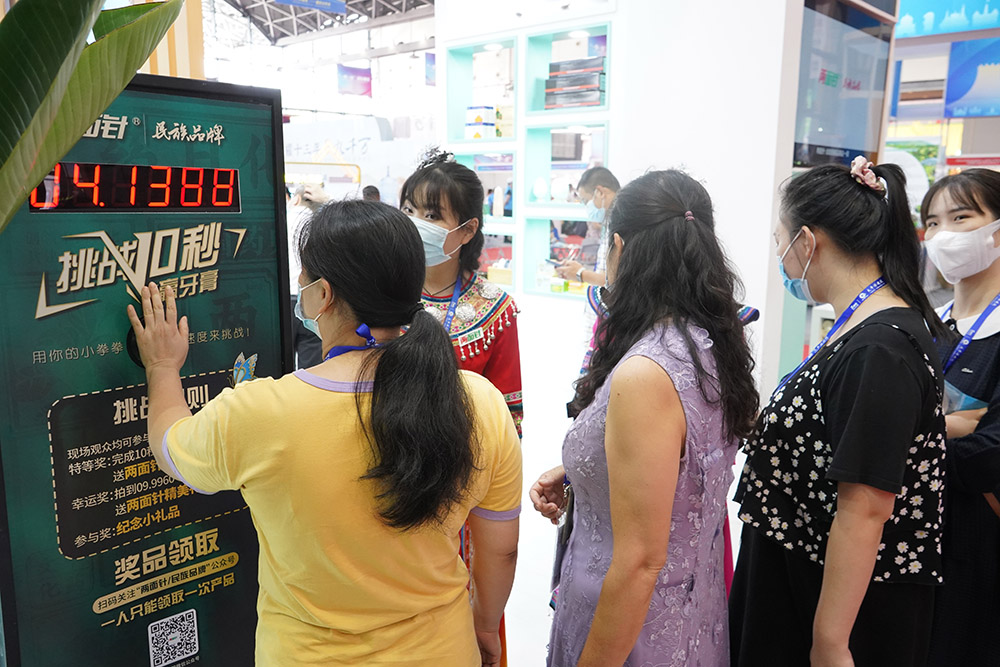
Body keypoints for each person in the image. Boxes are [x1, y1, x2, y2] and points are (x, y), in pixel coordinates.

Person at [126, 200, 522, 666]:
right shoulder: (478, 401)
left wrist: (161, 366)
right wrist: (484, 625)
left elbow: (170, 447)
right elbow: (501, 550)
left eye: (304, 278)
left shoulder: (262, 413)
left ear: (323, 294)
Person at [531, 170, 759, 665]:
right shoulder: (711, 344)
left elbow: (638, 562)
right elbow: (681, 470)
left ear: (618, 247)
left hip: (630, 630)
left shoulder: (647, 370)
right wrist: (583, 471)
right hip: (692, 615)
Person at [730, 156, 948, 667]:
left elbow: (865, 506)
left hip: (835, 604)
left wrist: (829, 642)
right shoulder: (859, 326)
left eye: (780, 240)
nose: (779, 255)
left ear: (808, 242)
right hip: (801, 572)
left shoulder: (879, 349)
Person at [921, 168, 1000, 666]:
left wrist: (908, 437)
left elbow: (990, 455)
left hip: (980, 549)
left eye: (961, 217)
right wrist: (953, 425)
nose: (942, 234)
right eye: (932, 222)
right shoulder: (927, 323)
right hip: (918, 539)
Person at [401, 150, 523, 435]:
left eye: (431, 215)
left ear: (467, 230)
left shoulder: (496, 310)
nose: (414, 223)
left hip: (461, 451)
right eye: (408, 210)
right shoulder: (380, 287)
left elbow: (507, 412)